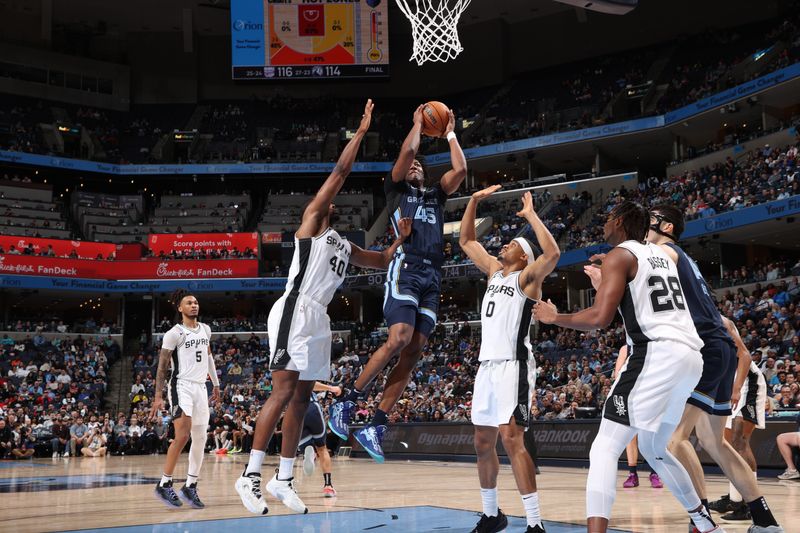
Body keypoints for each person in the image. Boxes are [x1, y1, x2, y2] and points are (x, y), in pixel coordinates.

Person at [235, 99, 412, 515]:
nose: (335, 202)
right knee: (282, 392)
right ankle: (250, 476)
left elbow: (382, 261)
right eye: (332, 201)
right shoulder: (311, 222)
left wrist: (400, 239)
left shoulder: (344, 245)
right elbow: (340, 172)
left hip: (320, 320)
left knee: (301, 400)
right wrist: (362, 133)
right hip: (295, 308)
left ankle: (283, 479)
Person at [534, 201, 719, 533]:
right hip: (690, 358)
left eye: (607, 219)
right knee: (653, 447)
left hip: (657, 354)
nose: (603, 225)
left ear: (619, 221)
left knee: (605, 446)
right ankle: (707, 525)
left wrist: (554, 318)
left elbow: (599, 318)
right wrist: (606, 278)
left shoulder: (621, 255)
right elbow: (641, 299)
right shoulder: (660, 255)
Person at [329, 103, 467, 463]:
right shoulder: (396, 191)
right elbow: (408, 151)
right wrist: (418, 123)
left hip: (433, 275)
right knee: (399, 338)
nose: (417, 166)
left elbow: (461, 169)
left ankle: (376, 422)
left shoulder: (436, 195)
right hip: (406, 267)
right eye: (413, 166)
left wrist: (450, 131)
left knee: (415, 349)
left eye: (422, 165)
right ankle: (348, 399)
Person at [642, 205, 782, 532]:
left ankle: (700, 520)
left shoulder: (663, 251)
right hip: (718, 348)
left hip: (703, 350)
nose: (643, 224)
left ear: (665, 225)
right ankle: (765, 521)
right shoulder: (683, 260)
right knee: (714, 442)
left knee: (673, 440)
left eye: (649, 219)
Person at [459, 185, 560, 533]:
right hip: (487, 366)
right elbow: (467, 241)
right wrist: (472, 201)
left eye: (514, 243)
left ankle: (534, 523)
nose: (505, 243)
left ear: (524, 257)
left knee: (511, 438)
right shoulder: (493, 271)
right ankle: (492, 515)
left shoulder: (528, 279)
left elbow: (554, 254)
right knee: (482, 442)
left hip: (513, 365)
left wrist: (531, 216)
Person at [149, 288, 219, 509]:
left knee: (200, 438)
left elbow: (208, 357)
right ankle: (164, 483)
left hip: (201, 387)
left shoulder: (205, 330)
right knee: (182, 435)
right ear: (180, 308)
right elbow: (161, 368)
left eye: (196, 302)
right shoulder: (174, 333)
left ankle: (190, 486)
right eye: (189, 303)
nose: (194, 305)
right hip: (181, 386)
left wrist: (216, 384)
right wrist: (157, 396)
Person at [709, 323, 769, 520]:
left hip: (744, 380)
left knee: (740, 442)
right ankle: (735, 500)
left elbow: (744, 355)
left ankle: (751, 504)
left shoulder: (721, 321)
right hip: (724, 381)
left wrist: (736, 389)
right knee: (726, 446)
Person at [614, 346, 663, 489]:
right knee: (631, 437)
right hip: (631, 396)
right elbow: (617, 374)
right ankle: (632, 474)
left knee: (652, 436)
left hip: (651, 395)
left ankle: (655, 473)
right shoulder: (625, 349)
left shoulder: (654, 345)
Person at [300, 382, 343, 498]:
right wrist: (331, 388)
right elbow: (310, 383)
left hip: (296, 409)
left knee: (298, 445)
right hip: (312, 407)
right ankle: (328, 486)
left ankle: (308, 452)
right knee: (322, 448)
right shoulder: (300, 366)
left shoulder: (282, 373)